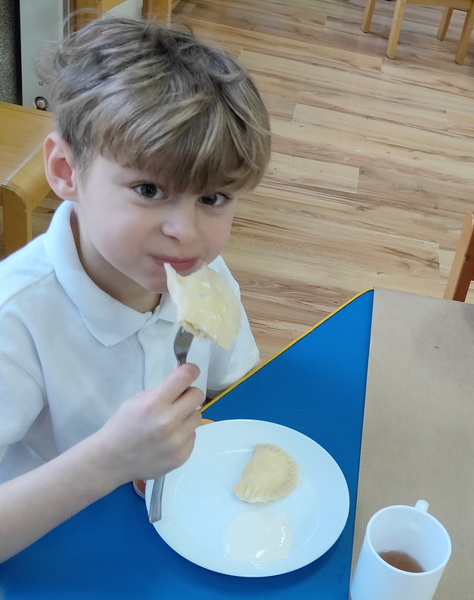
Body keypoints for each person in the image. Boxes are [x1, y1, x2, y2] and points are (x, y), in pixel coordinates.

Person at [0, 17, 271, 561]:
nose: (185, 232)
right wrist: (109, 460)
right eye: (148, 190)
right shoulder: (15, 321)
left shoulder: (205, 277)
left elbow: (230, 385)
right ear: (66, 171)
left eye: (212, 199)